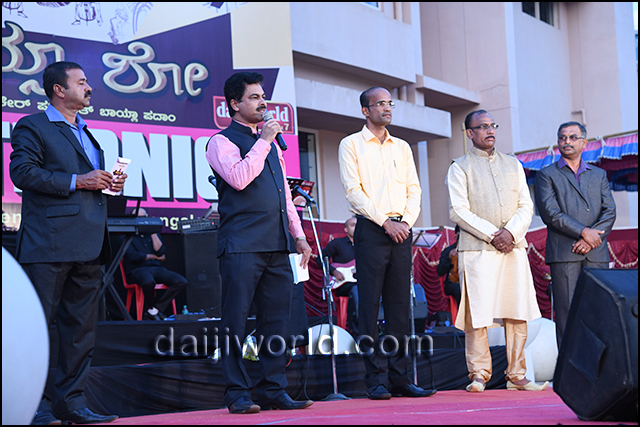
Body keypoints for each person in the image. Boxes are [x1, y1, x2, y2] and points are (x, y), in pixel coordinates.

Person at [10, 61, 125, 424]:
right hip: (49, 243)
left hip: (89, 243)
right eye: (82, 82)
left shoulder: (87, 132)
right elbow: (22, 173)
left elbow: (89, 185)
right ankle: (33, 405)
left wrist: (108, 184)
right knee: (36, 330)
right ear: (59, 90)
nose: (89, 87)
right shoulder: (32, 125)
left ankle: (72, 404)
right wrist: (79, 180)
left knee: (80, 332)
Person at [205, 71, 313, 414]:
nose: (263, 102)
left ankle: (272, 388)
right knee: (235, 321)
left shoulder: (270, 145)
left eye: (263, 96)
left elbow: (284, 196)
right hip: (241, 245)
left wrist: (299, 236)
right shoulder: (220, 142)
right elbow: (238, 178)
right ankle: (237, 392)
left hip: (277, 244)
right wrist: (264, 141)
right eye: (254, 97)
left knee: (277, 321)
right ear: (234, 104)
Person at [339, 87, 436, 400]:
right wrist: (385, 223)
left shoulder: (402, 147)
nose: (387, 107)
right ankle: (374, 379)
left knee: (399, 306)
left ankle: (400, 378)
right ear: (365, 111)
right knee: (369, 306)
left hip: (401, 231)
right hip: (371, 229)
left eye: (389, 103)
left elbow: (414, 190)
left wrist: (405, 222)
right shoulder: (351, 144)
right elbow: (353, 191)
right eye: (379, 103)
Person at [446, 110, 547, 393]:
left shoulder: (513, 164)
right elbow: (457, 210)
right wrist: (493, 235)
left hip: (512, 247)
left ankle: (517, 374)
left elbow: (526, 205)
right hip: (477, 249)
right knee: (478, 312)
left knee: (516, 308)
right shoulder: (459, 167)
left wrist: (510, 233)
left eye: (493, 126)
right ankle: (479, 374)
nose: (490, 131)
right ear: (470, 133)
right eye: (483, 127)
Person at [534, 122, 616, 347]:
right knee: (568, 314)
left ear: (584, 142)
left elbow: (610, 211)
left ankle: (599, 365)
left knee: (599, 310)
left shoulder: (599, 174)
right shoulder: (546, 175)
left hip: (596, 253)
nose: (567, 141)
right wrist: (583, 232)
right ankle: (568, 367)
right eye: (562, 137)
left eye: (572, 137)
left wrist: (591, 240)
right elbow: (550, 213)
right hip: (565, 253)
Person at [122, 208, 187, 320]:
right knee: (148, 281)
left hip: (155, 268)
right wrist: (154, 257)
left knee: (181, 281)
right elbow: (133, 257)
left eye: (143, 217)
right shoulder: (126, 236)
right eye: (137, 217)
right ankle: (152, 310)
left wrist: (152, 231)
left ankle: (154, 310)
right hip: (138, 269)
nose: (141, 220)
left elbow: (160, 251)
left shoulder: (152, 235)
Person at [316, 217, 359, 335]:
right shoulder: (337, 243)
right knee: (356, 289)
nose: (356, 227)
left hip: (360, 282)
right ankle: (356, 331)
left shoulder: (364, 246)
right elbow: (320, 259)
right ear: (345, 229)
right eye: (352, 225)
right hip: (342, 285)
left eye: (357, 225)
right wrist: (333, 271)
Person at [437, 225, 461, 307]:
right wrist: (449, 258)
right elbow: (440, 271)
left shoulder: (470, 251)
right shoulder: (448, 251)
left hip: (468, 281)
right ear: (457, 234)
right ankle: (462, 313)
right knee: (459, 289)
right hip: (453, 283)